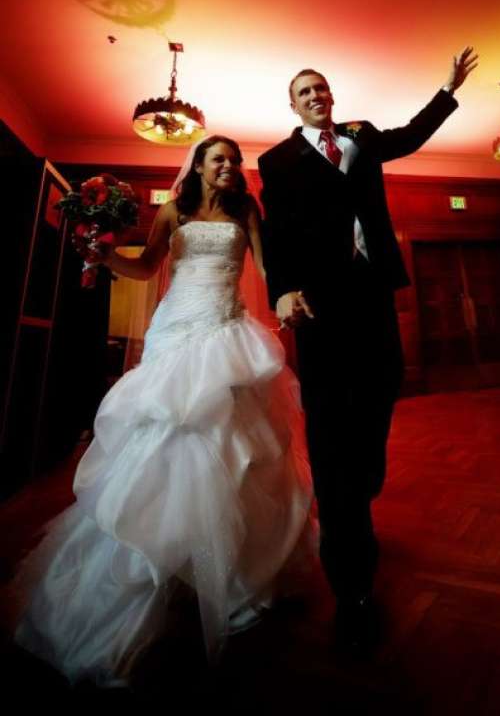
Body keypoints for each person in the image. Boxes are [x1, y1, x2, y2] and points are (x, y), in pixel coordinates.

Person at [13, 135, 313, 687]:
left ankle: (223, 567)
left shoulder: (246, 209)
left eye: (234, 160)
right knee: (162, 439)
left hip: (227, 335)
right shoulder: (173, 210)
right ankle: (156, 566)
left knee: (230, 444)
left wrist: (285, 299)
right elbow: (149, 267)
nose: (229, 165)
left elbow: (269, 270)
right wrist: (107, 257)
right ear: (198, 165)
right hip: (175, 334)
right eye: (218, 158)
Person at [257, 48, 478, 648]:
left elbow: (411, 135)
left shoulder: (362, 137)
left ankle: (368, 467)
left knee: (385, 387)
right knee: (330, 439)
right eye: (305, 92)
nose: (317, 97)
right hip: (321, 307)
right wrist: (282, 292)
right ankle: (353, 586)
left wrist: (447, 87)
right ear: (292, 104)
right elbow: (274, 236)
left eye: (323, 88)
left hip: (375, 291)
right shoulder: (276, 160)